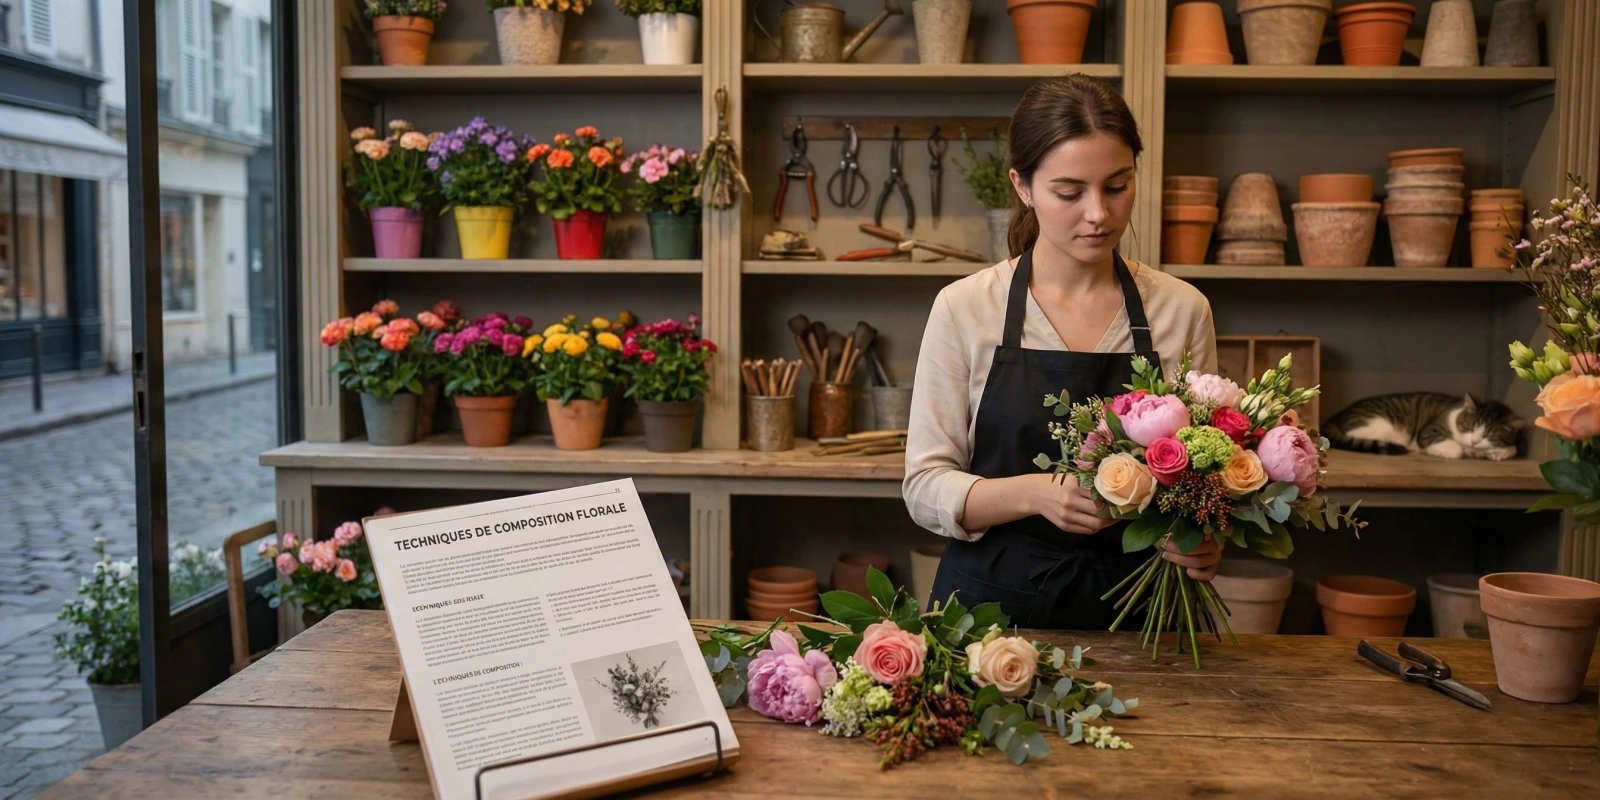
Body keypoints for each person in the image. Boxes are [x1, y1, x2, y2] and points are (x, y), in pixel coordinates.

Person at [903, 75, 1223, 630]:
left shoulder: (1181, 309)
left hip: (1141, 612)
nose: (1098, 214)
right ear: (1023, 187)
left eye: (1117, 186)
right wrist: (1035, 493)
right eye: (1069, 193)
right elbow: (924, 486)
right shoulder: (965, 308)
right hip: (988, 618)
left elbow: (1202, 474)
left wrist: (1203, 540)